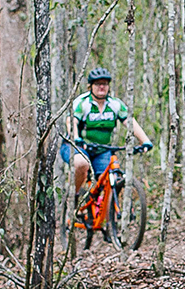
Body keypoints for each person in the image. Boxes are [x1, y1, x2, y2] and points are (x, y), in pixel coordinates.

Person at [62, 67, 152, 199]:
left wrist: (145, 141)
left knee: (111, 179)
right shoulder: (83, 103)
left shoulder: (114, 104)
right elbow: (71, 121)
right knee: (81, 164)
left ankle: (108, 211)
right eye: (98, 84)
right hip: (79, 147)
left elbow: (130, 122)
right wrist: (76, 138)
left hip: (102, 149)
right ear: (90, 86)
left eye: (104, 83)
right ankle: (73, 198)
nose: (101, 87)